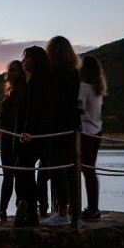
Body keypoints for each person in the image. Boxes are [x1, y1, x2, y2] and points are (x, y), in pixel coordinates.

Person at [42, 36, 81, 227]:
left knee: (57, 169)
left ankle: (62, 212)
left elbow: (53, 101)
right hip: (71, 125)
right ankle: (74, 209)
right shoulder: (74, 73)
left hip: (55, 125)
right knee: (71, 168)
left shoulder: (51, 74)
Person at [12, 45, 52, 228]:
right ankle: (27, 208)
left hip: (30, 136)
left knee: (25, 172)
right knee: (22, 171)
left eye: (27, 57)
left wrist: (29, 131)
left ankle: (30, 210)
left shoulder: (37, 84)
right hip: (30, 134)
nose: (24, 61)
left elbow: (35, 110)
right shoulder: (35, 82)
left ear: (36, 60)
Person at [0, 60, 26, 221]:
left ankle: (3, 210)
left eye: (14, 70)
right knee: (16, 174)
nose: (10, 73)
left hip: (9, 137)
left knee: (9, 175)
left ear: (20, 73)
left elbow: (10, 117)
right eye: (9, 70)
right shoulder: (16, 91)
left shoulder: (17, 93)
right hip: (14, 136)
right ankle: (19, 207)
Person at [78, 55, 107, 220]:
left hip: (85, 131)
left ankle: (92, 209)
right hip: (97, 130)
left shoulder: (83, 87)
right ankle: (93, 206)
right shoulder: (98, 89)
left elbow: (79, 108)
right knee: (90, 170)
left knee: (87, 170)